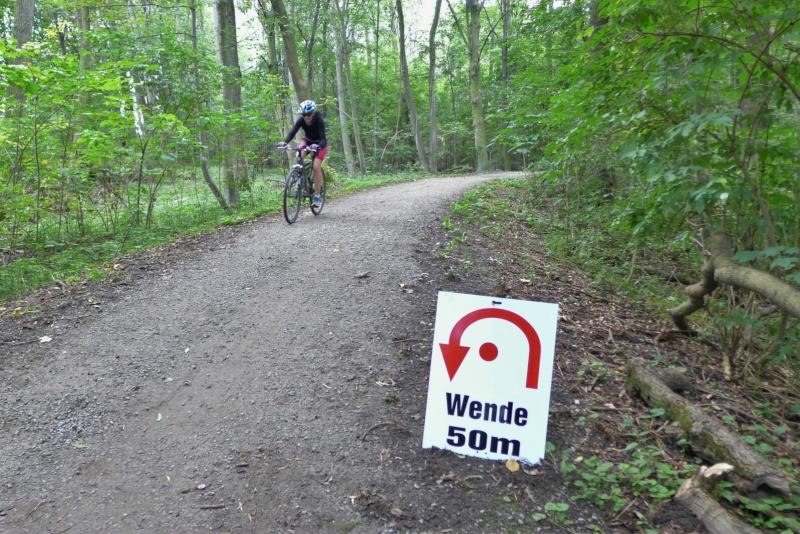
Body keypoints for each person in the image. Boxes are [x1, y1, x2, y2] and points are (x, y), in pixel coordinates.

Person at [277, 100, 328, 209]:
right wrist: (285, 142)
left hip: (320, 144)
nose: (306, 117)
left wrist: (317, 145)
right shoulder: (302, 119)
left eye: (308, 114)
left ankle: (317, 196)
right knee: (299, 154)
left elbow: (323, 138)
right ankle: (301, 178)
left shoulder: (319, 120)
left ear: (313, 112)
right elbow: (293, 131)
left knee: (316, 167)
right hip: (308, 141)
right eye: (304, 114)